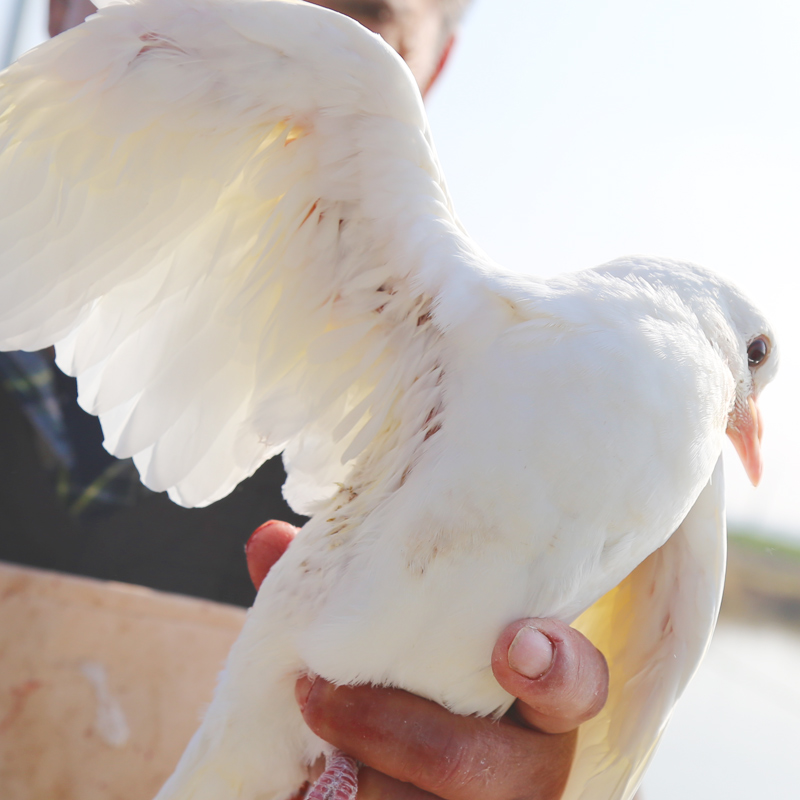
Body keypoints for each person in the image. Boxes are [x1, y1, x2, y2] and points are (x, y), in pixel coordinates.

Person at [1, 2, 611, 798]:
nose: (280, 33)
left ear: (428, 66)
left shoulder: (510, 464)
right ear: (68, 12)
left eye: (352, 15)